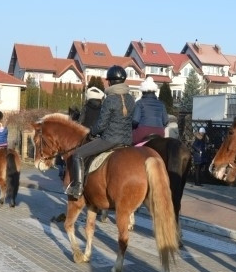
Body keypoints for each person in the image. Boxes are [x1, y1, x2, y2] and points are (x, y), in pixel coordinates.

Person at [65, 65, 135, 199]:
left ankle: (77, 187)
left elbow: (102, 124)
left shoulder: (109, 99)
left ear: (110, 81)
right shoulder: (131, 99)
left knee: (78, 154)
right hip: (127, 140)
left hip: (110, 140)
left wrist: (92, 132)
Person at [131, 77, 169, 144]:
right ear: (154, 92)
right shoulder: (161, 104)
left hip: (143, 132)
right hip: (159, 132)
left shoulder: (139, 103)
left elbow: (135, 121)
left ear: (143, 91)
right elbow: (165, 121)